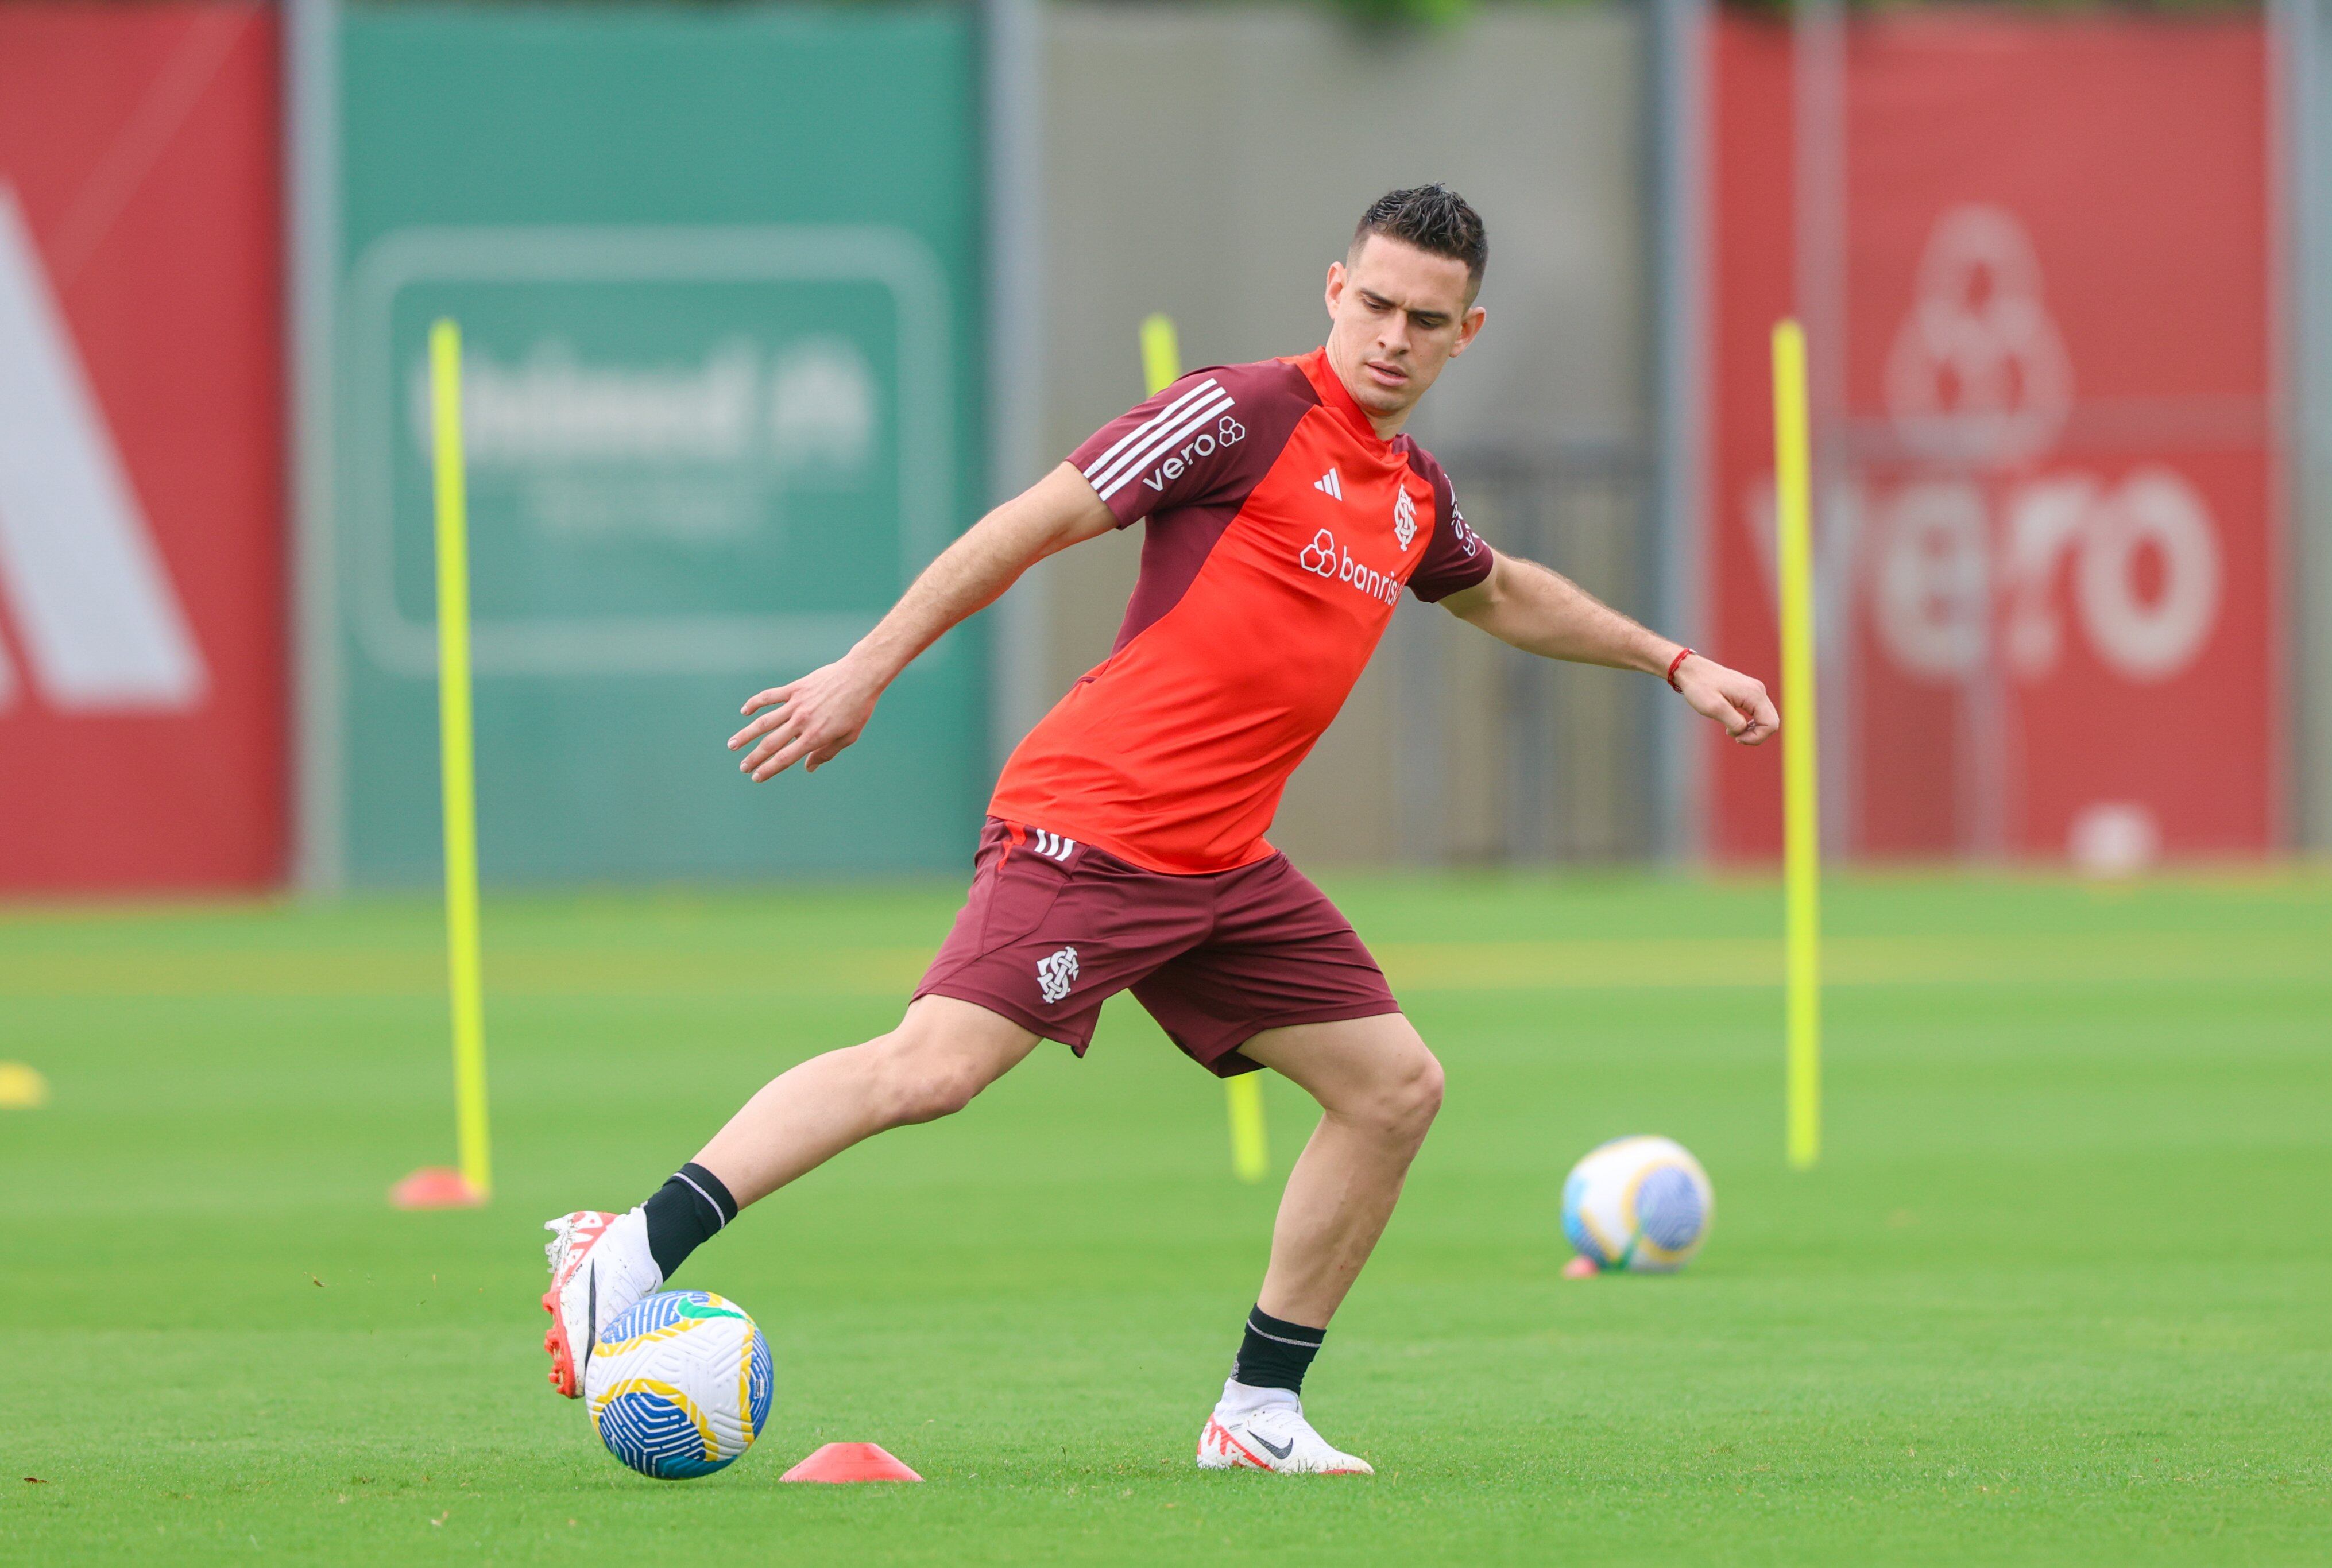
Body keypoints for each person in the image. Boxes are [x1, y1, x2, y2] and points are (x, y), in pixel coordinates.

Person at [540, 185, 1778, 1475]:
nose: (1392, 336)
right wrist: (866, 668)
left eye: (1426, 318)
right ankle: (620, 1250)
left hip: (1222, 868)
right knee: (930, 1069)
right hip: (1093, 823)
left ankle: (1255, 1415)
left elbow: (1503, 592)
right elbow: (1031, 523)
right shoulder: (1241, 413)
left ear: (1466, 334)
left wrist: (1671, 660)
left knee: (1392, 1086)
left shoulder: (1410, 493)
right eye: (1373, 304)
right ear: (1331, 289)